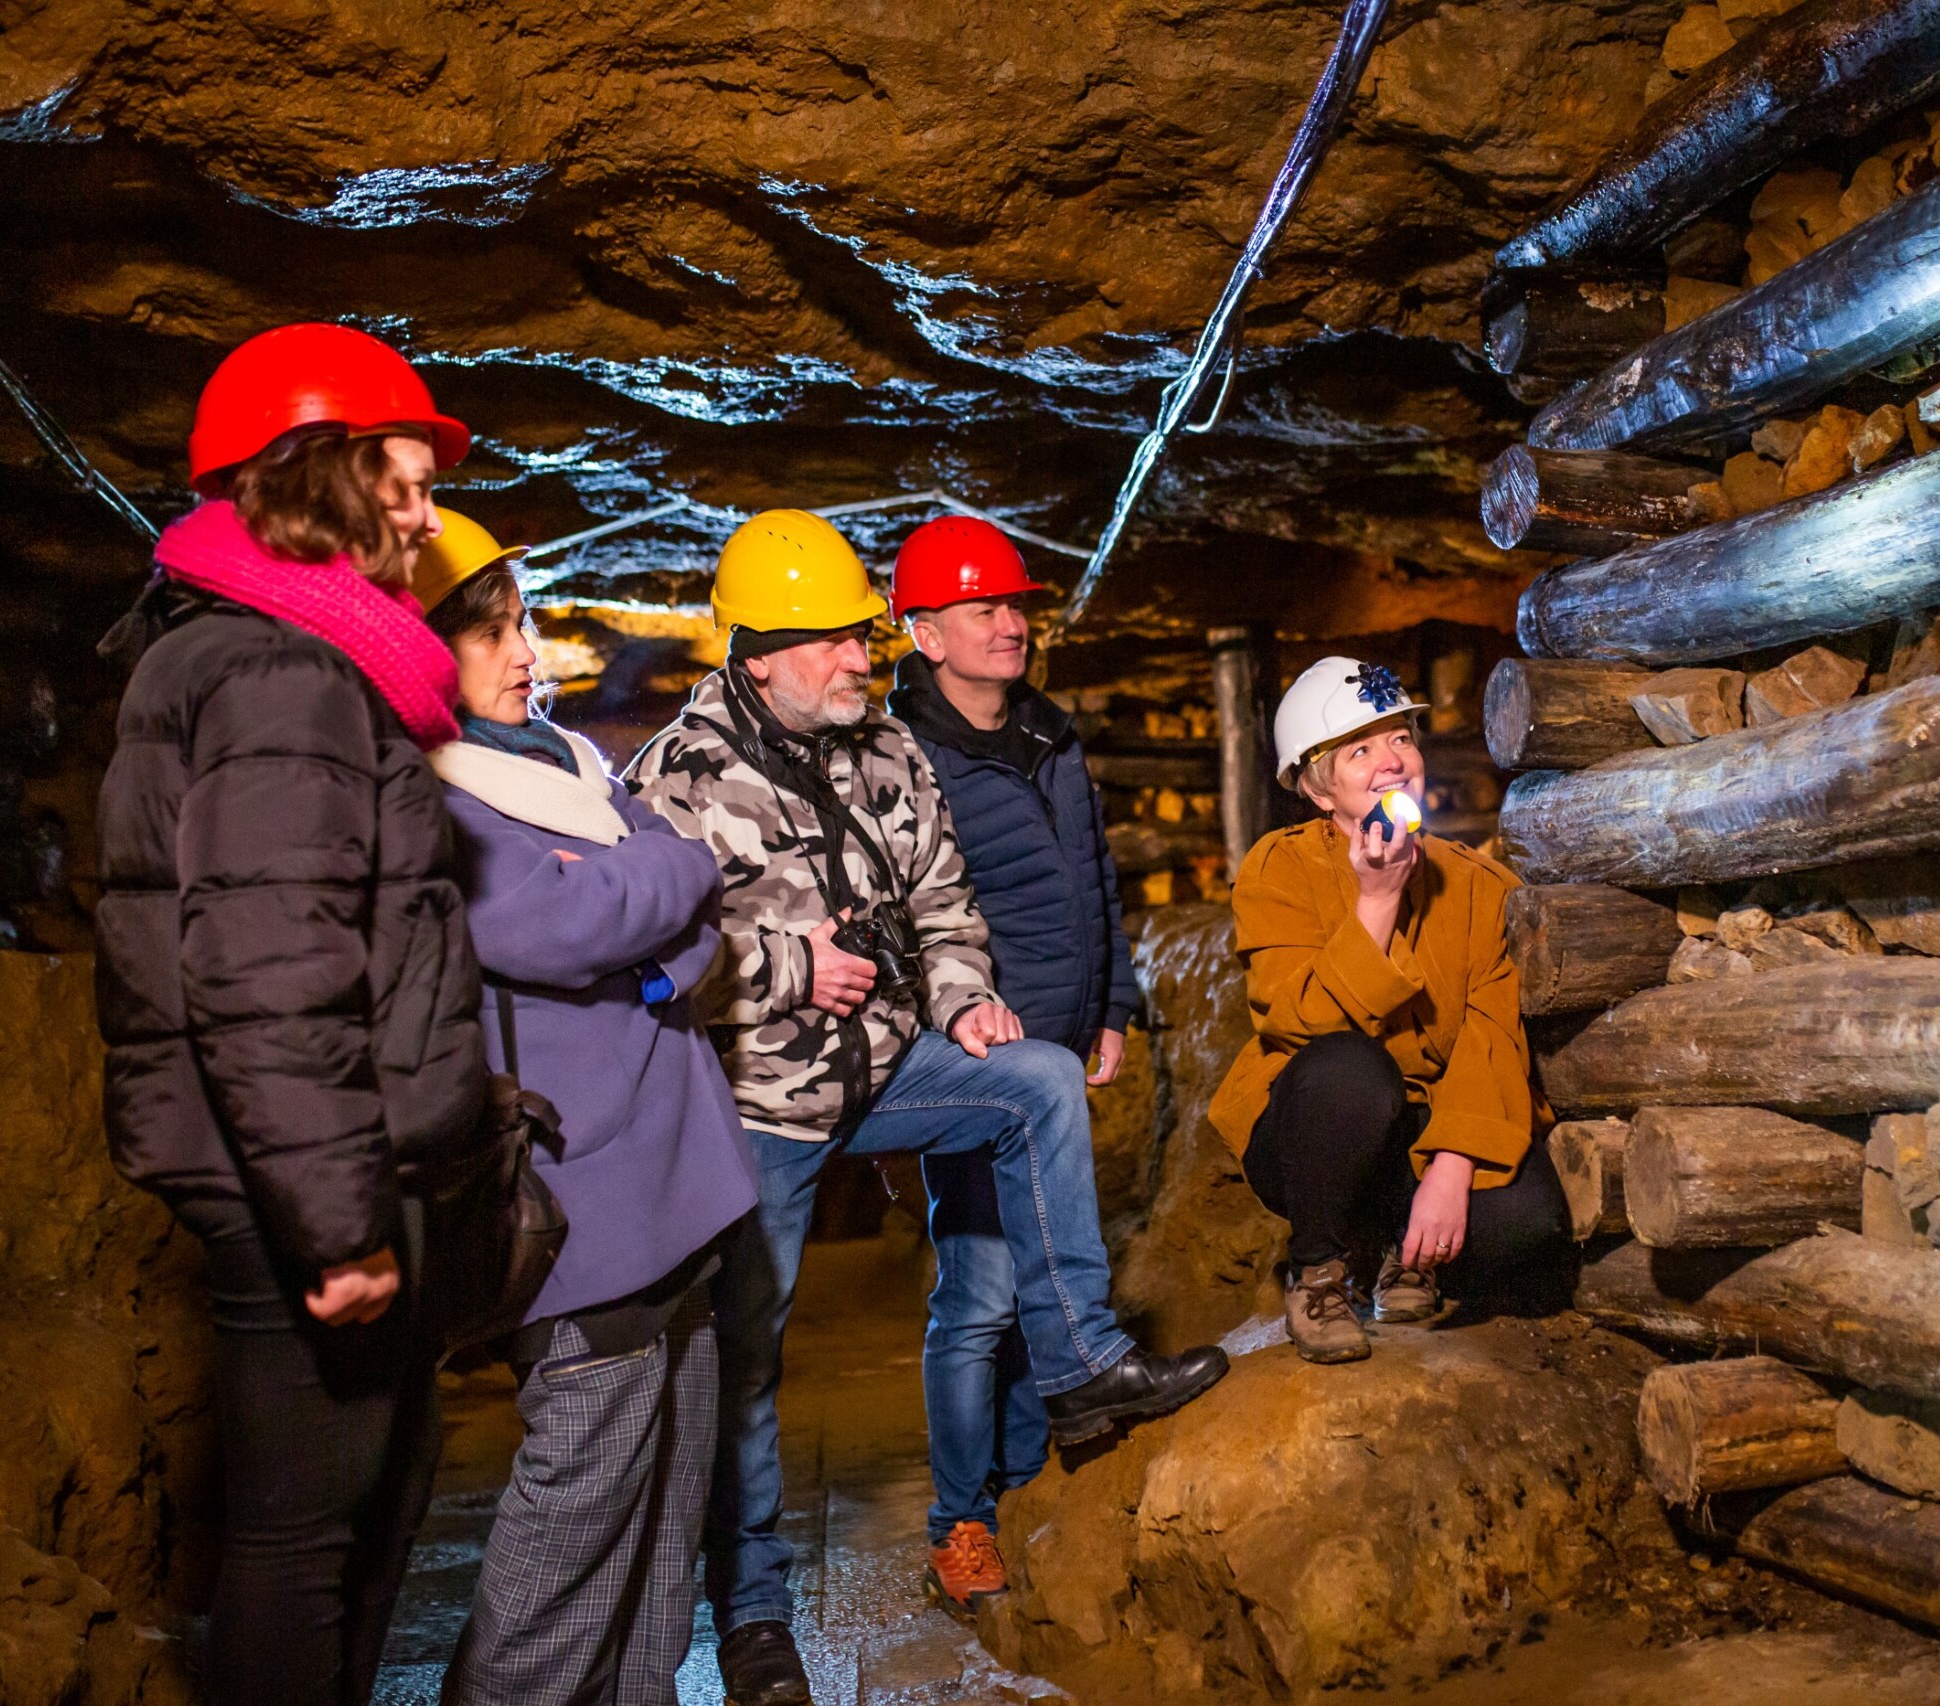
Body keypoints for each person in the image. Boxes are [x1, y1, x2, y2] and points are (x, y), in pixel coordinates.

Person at [625, 508, 1227, 1706]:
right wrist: (788, 967)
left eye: (865, 633)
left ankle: (1081, 1364)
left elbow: (948, 908)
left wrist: (962, 1005)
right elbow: (640, 959)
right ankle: (750, 1618)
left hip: (894, 1062)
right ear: (760, 654)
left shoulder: (888, 753)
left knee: (1038, 1080)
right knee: (748, 1356)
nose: (865, 654)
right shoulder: (676, 777)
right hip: (759, 1100)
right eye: (841, 639)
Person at [93, 322, 486, 1706]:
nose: (425, 517)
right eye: (404, 478)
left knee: (355, 1518)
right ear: (323, 472)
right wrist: (337, 1219)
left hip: (305, 1156)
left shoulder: (264, 655)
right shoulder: (283, 671)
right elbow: (268, 960)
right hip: (302, 1177)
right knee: (303, 1539)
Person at [416, 512, 761, 1704]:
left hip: (680, 1191)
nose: (524, 654)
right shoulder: (442, 797)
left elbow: (682, 889)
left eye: (521, 624)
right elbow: (553, 923)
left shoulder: (565, 764)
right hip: (585, 1200)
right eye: (487, 634)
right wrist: (654, 890)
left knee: (667, 1514)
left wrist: (656, 945)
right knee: (571, 1526)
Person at [882, 516, 1137, 1614]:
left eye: (1015, 603)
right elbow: (910, 917)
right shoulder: (903, 757)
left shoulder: (1049, 734)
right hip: (979, 1061)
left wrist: (1112, 1006)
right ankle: (960, 1520)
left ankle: (1031, 1480)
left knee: (1048, 1271)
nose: (1010, 621)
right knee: (982, 1292)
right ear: (924, 631)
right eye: (983, 606)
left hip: (1063, 1045)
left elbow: (1097, 877)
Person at [1208, 656, 1566, 1365]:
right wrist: (1375, 901)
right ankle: (1319, 1271)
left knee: (1531, 1223)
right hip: (1312, 1128)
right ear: (1318, 788)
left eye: (1400, 738)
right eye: (1359, 750)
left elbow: (1491, 1034)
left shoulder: (1477, 884)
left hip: (1420, 1129)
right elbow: (1300, 1022)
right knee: (1351, 1070)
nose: (1391, 761)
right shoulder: (1280, 870)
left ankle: (1405, 1251)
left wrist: (1453, 1164)